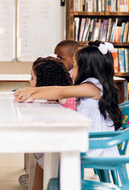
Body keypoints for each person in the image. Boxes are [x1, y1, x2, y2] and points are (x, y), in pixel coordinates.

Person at [15, 40, 122, 190]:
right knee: (46, 149)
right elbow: (59, 90)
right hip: (89, 139)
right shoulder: (93, 86)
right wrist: (33, 92)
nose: (71, 71)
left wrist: (32, 92)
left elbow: (61, 90)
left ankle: (46, 185)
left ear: (88, 69)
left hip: (94, 144)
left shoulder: (92, 87)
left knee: (47, 149)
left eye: (75, 66)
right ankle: (41, 185)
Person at [18, 56, 75, 189]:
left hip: (63, 146)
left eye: (32, 77)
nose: (29, 81)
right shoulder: (57, 97)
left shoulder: (64, 97)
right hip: (54, 145)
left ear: (43, 81)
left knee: (40, 148)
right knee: (40, 150)